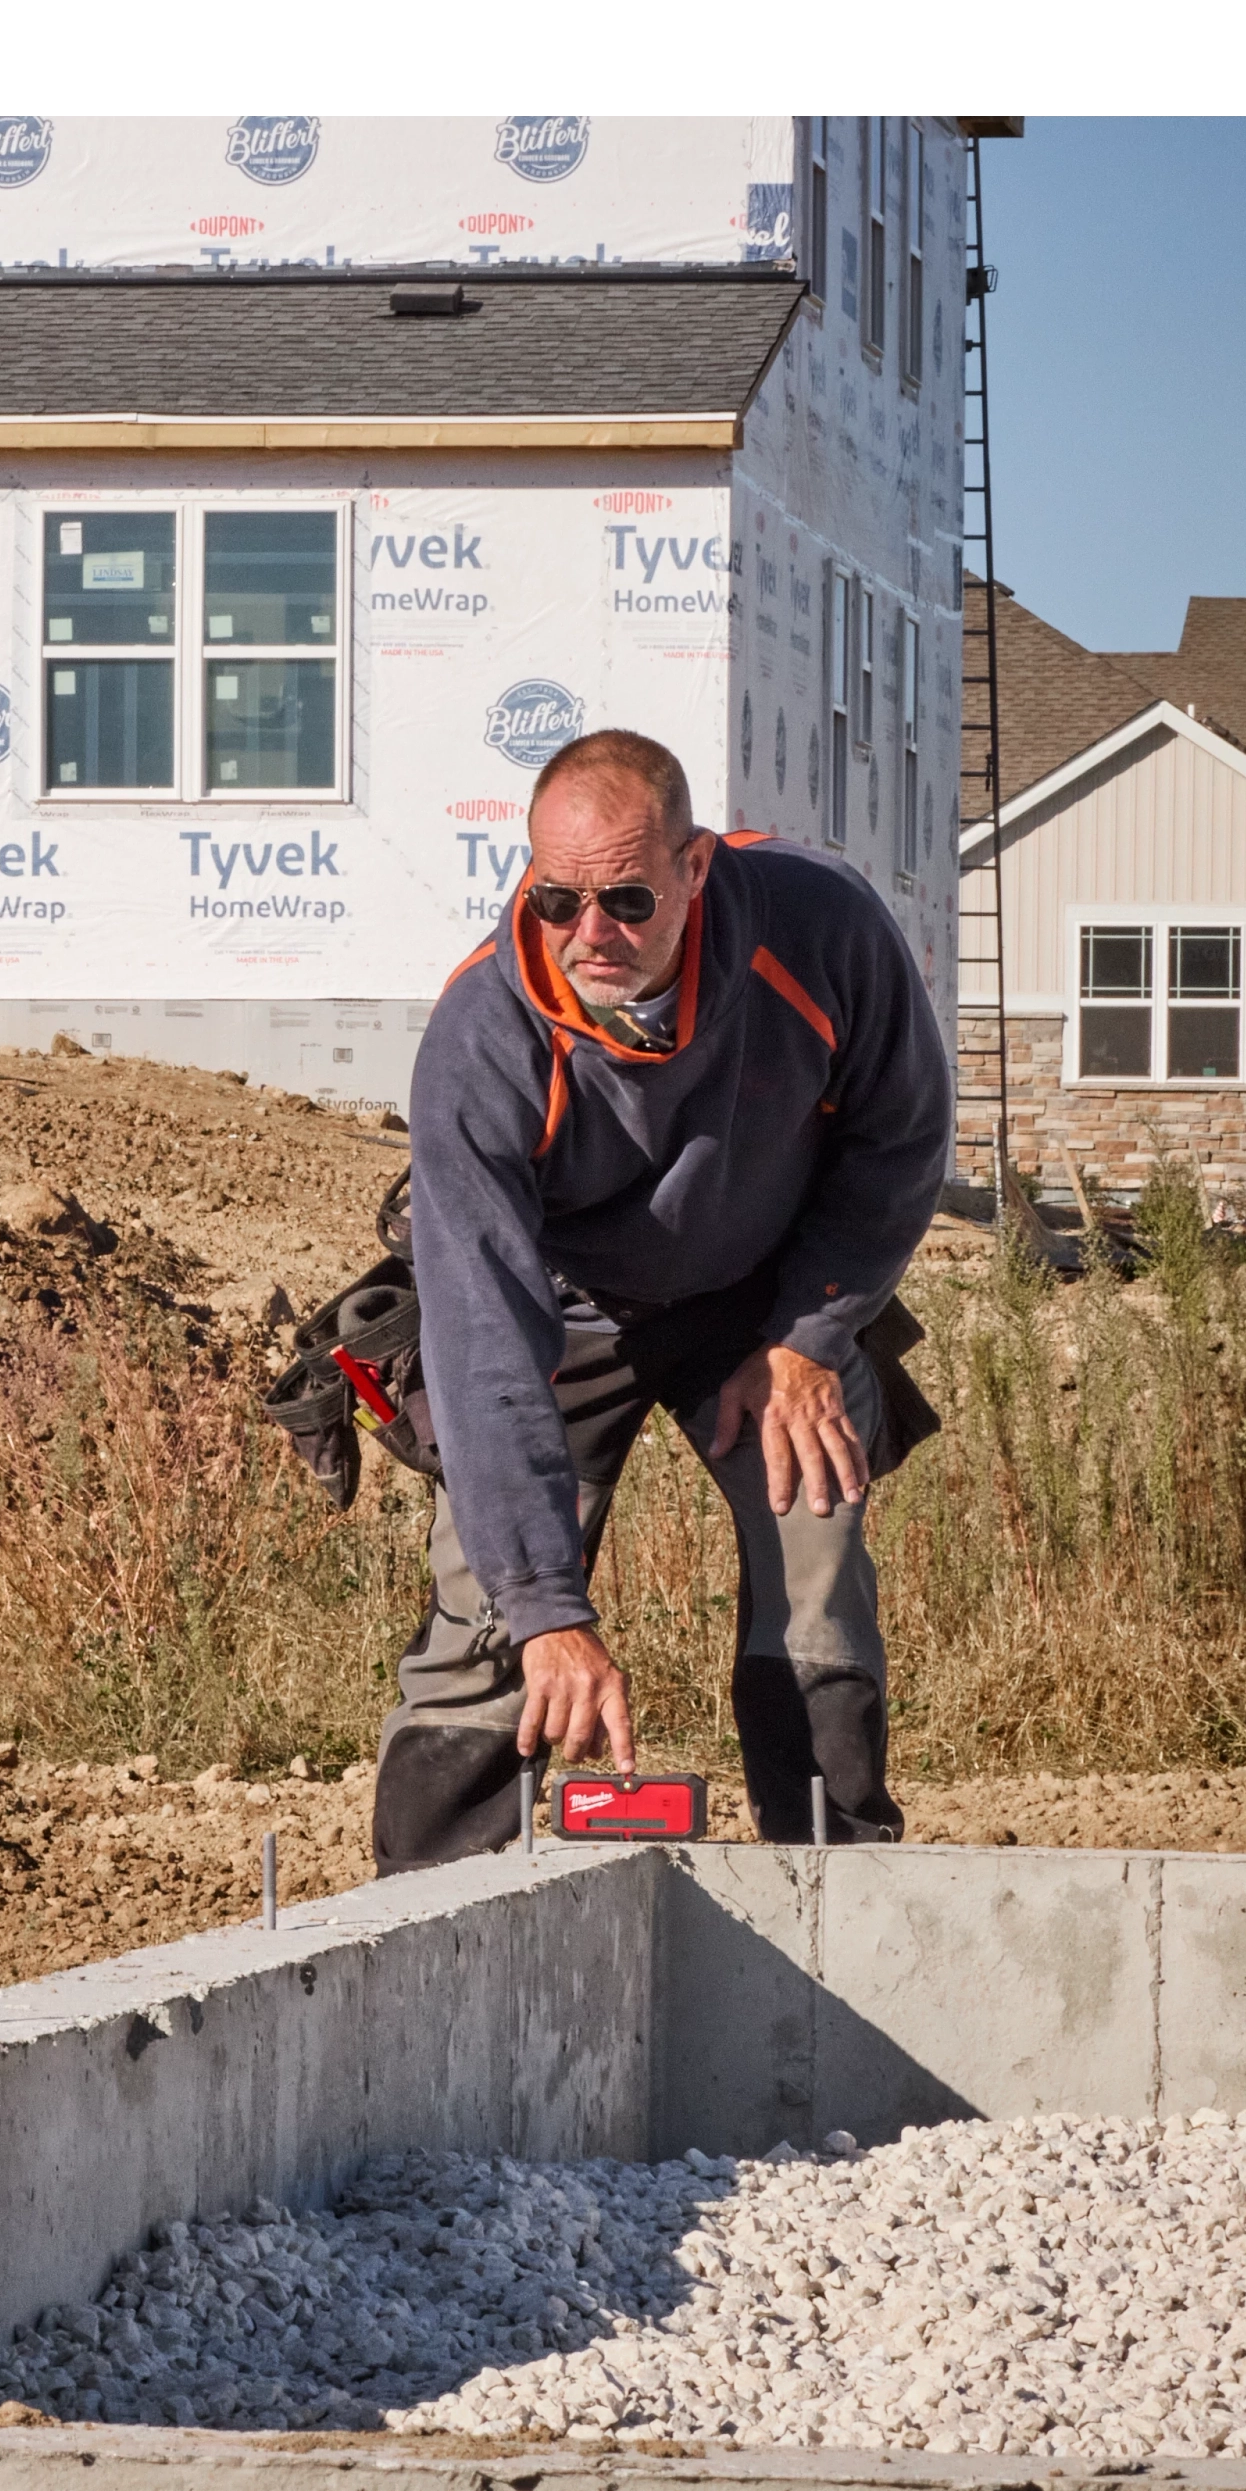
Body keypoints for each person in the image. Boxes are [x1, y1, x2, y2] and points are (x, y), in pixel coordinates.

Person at [374, 725, 952, 1869]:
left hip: (758, 1296)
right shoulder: (481, 1039)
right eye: (556, 900)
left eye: (628, 899)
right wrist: (548, 1608)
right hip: (560, 1312)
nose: (590, 933)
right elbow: (484, 1341)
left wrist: (805, 1339)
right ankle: (425, 1915)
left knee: (814, 1536)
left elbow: (901, 1142)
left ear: (696, 868)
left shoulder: (818, 929)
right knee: (488, 1607)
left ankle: (836, 1887)